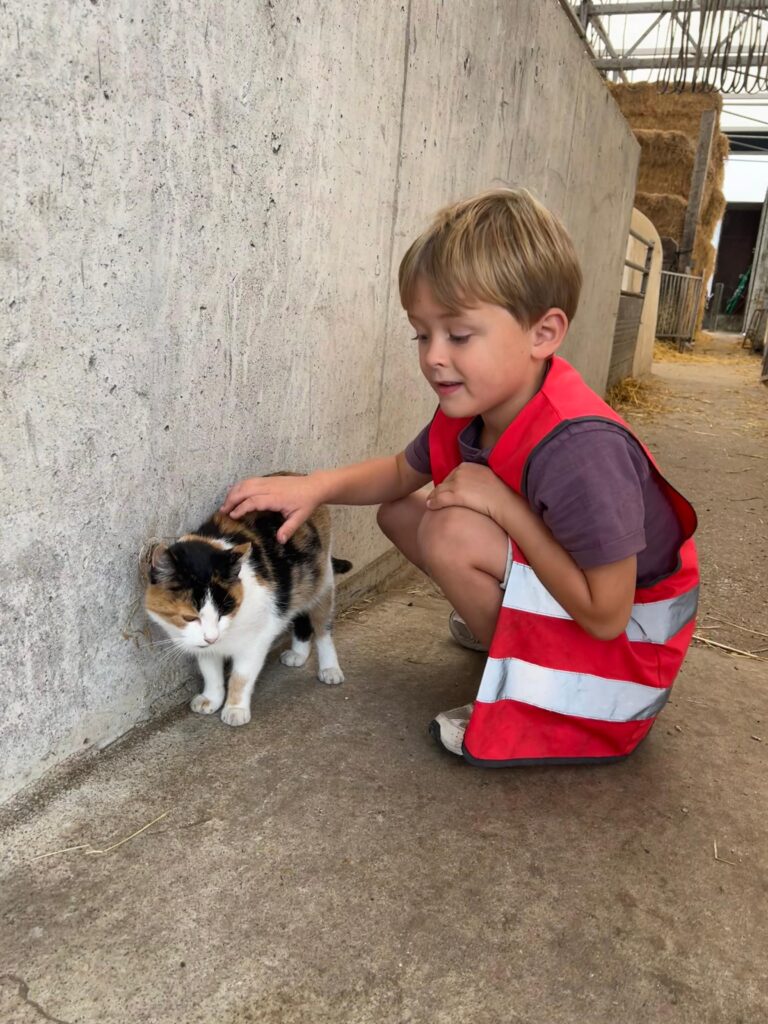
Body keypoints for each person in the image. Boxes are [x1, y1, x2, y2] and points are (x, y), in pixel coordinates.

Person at [221, 187, 699, 766]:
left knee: (450, 531)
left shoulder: (581, 450)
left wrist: (503, 506)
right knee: (401, 513)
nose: (432, 356)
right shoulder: (475, 404)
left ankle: (538, 695)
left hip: (625, 663)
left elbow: (606, 616)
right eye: (421, 334)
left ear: (542, 334)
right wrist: (314, 486)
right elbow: (400, 475)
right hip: (591, 612)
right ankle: (514, 640)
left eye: (459, 335)